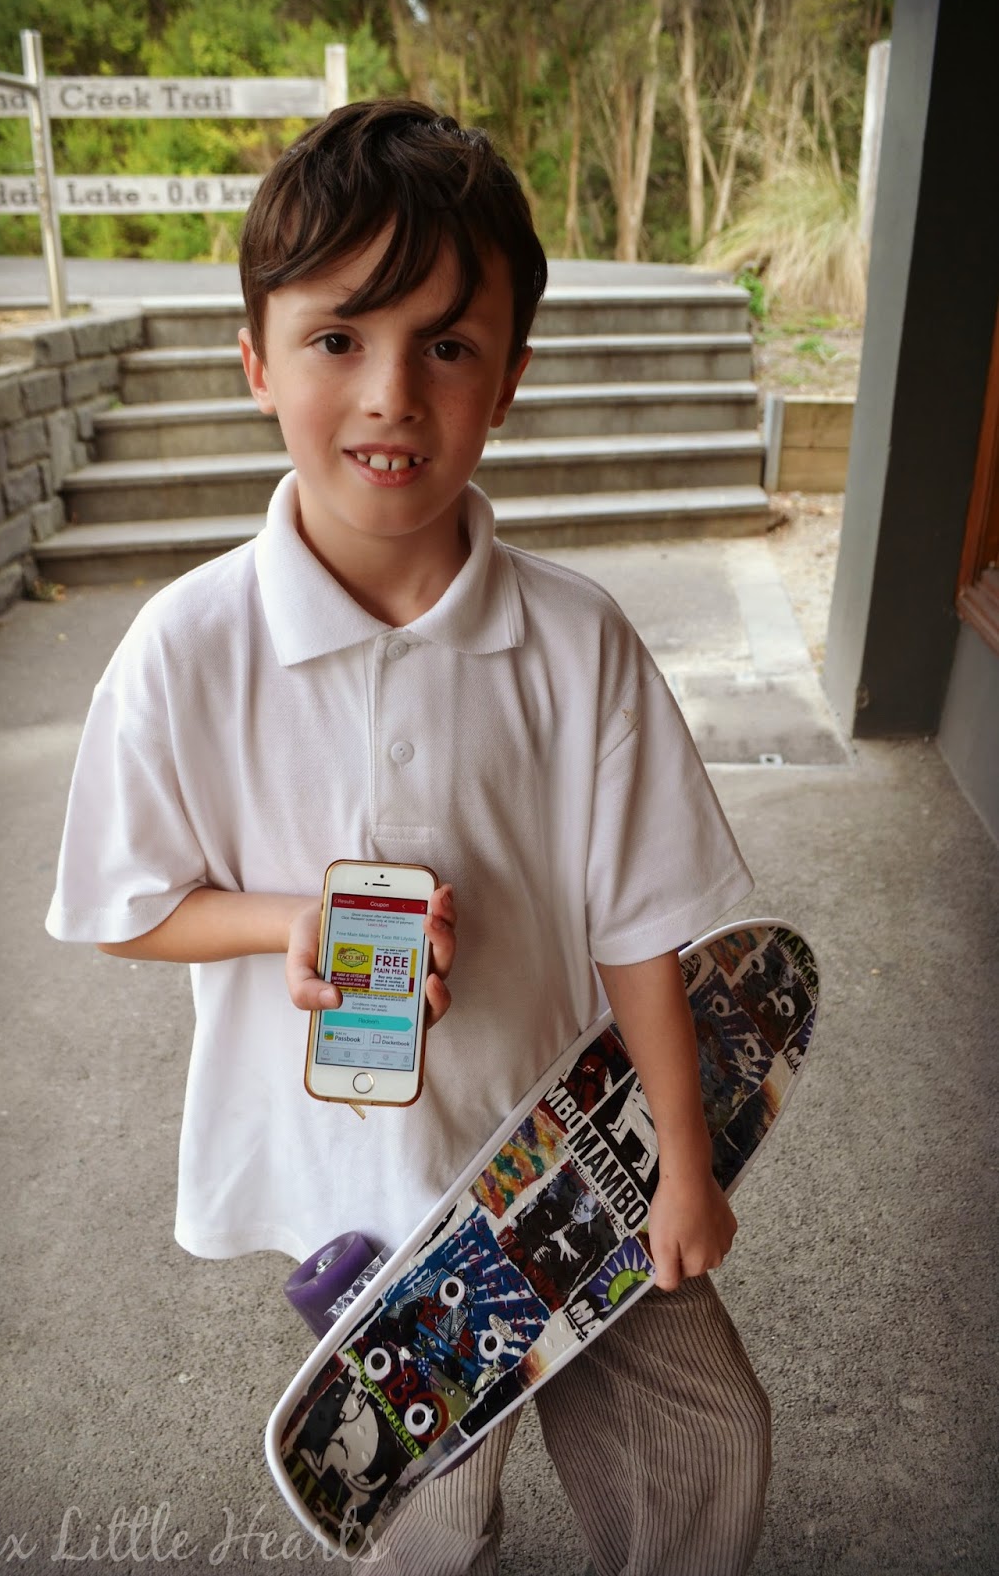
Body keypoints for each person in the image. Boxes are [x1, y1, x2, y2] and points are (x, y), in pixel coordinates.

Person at [46, 99, 770, 1576]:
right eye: (338, 338)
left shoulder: (577, 644)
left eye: (446, 345)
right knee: (424, 1505)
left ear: (508, 378)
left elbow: (644, 923)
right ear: (257, 362)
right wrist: (286, 923)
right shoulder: (186, 648)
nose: (390, 394)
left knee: (702, 1434)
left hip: (572, 1158)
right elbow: (125, 903)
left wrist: (684, 1165)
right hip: (357, 1188)